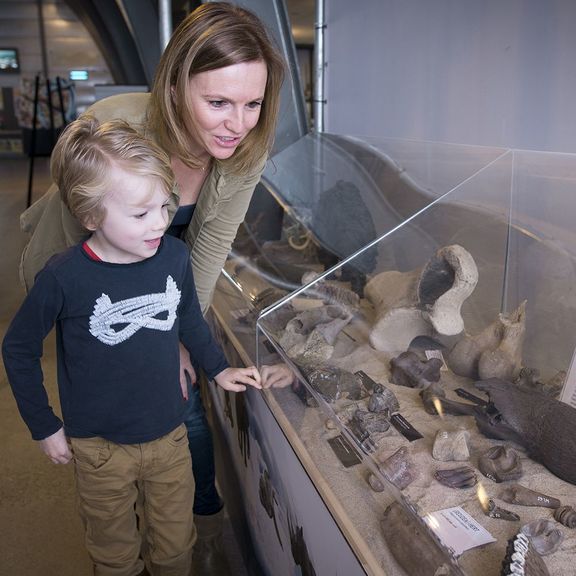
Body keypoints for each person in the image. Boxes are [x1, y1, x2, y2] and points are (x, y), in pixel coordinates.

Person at [18, 3, 285, 572]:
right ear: (175, 86)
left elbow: (209, 248)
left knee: (186, 410)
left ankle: (198, 530)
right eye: (217, 102)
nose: (237, 123)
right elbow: (77, 255)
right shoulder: (119, 129)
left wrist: (181, 339)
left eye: (252, 103)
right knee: (121, 399)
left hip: (169, 274)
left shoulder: (245, 148)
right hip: (85, 275)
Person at [2, 116, 262, 576]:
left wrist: (219, 369)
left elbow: (187, 321)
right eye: (141, 214)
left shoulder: (175, 257)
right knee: (115, 554)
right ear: (90, 216)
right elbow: (18, 349)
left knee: (175, 546)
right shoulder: (63, 278)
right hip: (98, 447)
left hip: (169, 435)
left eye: (165, 206)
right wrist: (43, 424)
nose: (160, 223)